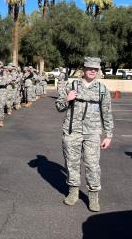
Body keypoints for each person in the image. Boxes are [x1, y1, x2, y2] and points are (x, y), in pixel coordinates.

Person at [55, 57, 113, 212]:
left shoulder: (102, 89)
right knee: (71, 163)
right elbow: (59, 107)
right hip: (72, 131)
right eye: (89, 68)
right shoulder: (71, 85)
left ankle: (93, 197)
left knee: (92, 165)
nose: (92, 71)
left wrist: (109, 135)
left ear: (98, 70)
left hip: (92, 133)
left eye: (96, 69)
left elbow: (106, 113)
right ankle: (73, 193)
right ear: (84, 69)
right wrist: (67, 99)